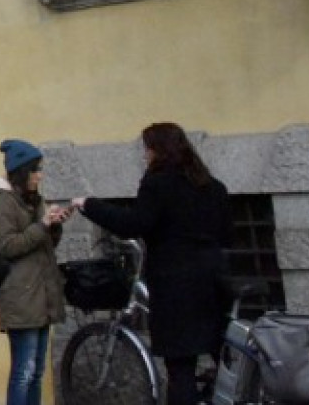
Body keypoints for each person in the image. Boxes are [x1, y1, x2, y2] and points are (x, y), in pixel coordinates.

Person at [74, 122, 231, 405]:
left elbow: (134, 223)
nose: (145, 155)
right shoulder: (213, 186)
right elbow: (227, 232)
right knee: (223, 358)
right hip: (215, 279)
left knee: (181, 367)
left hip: (177, 285)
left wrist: (90, 205)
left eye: (147, 148)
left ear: (158, 150)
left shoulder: (158, 183)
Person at [0, 139, 68, 405]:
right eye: (35, 170)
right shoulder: (1, 203)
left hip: (40, 294)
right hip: (20, 297)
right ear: (21, 171)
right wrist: (41, 226)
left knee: (36, 371)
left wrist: (54, 226)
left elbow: (43, 245)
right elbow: (5, 246)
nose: (40, 175)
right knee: (24, 371)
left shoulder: (32, 201)